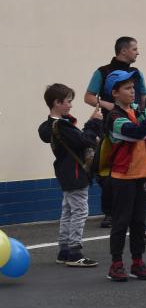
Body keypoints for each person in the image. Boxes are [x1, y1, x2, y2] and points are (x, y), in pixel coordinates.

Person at [103, 69, 146, 282]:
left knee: (139, 221)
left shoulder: (136, 111)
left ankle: (138, 261)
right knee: (121, 221)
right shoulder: (113, 117)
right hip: (123, 176)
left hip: (143, 173)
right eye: (127, 88)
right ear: (114, 93)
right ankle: (116, 263)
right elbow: (137, 133)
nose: (132, 92)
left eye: (133, 87)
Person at [84, 36, 146, 228]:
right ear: (123, 51)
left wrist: (139, 113)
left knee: (132, 166)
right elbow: (88, 97)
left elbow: (143, 98)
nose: (138, 52)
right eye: (135, 49)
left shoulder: (136, 73)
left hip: (133, 125)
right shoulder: (102, 71)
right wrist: (110, 106)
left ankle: (131, 210)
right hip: (109, 127)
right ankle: (110, 213)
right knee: (107, 171)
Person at [39, 84, 99, 267]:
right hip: (75, 173)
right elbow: (84, 140)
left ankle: (64, 250)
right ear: (57, 103)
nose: (71, 105)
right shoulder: (63, 126)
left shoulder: (50, 126)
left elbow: (75, 138)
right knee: (80, 211)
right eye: (68, 102)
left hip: (65, 173)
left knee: (67, 211)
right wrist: (94, 123)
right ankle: (74, 252)